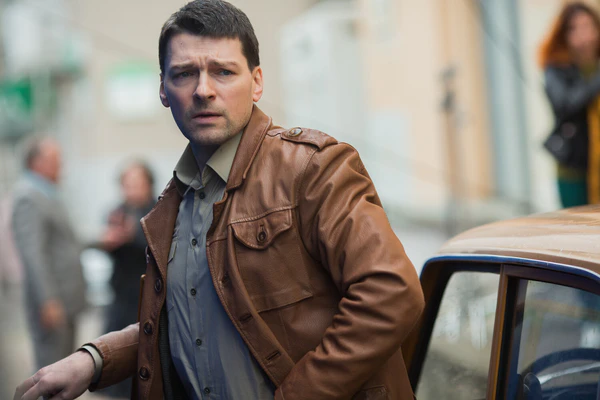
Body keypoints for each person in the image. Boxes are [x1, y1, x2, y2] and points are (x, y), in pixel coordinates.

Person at [13, 1, 425, 399]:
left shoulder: (312, 169)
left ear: (257, 82)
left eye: (223, 72)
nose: (203, 90)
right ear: (163, 89)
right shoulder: (171, 206)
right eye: (184, 73)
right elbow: (181, 325)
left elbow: (391, 294)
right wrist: (92, 361)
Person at [11, 137, 86, 372]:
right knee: (52, 372)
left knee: (66, 372)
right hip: (53, 303)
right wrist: (48, 300)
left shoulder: (47, 193)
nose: (61, 166)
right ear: (37, 163)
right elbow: (33, 254)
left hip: (65, 300)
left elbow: (64, 243)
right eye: (55, 160)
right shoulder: (28, 197)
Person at [99, 161, 155, 398]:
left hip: (149, 295)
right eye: (127, 184)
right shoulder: (117, 211)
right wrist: (108, 242)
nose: (132, 190)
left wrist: (133, 236)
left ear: (148, 184)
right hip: (121, 294)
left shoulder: (159, 209)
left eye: (137, 184)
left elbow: (160, 248)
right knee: (116, 357)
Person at [540, 2, 600, 207]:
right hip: (574, 167)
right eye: (575, 28)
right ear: (564, 35)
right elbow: (565, 105)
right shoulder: (556, 68)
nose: (584, 34)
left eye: (587, 26)